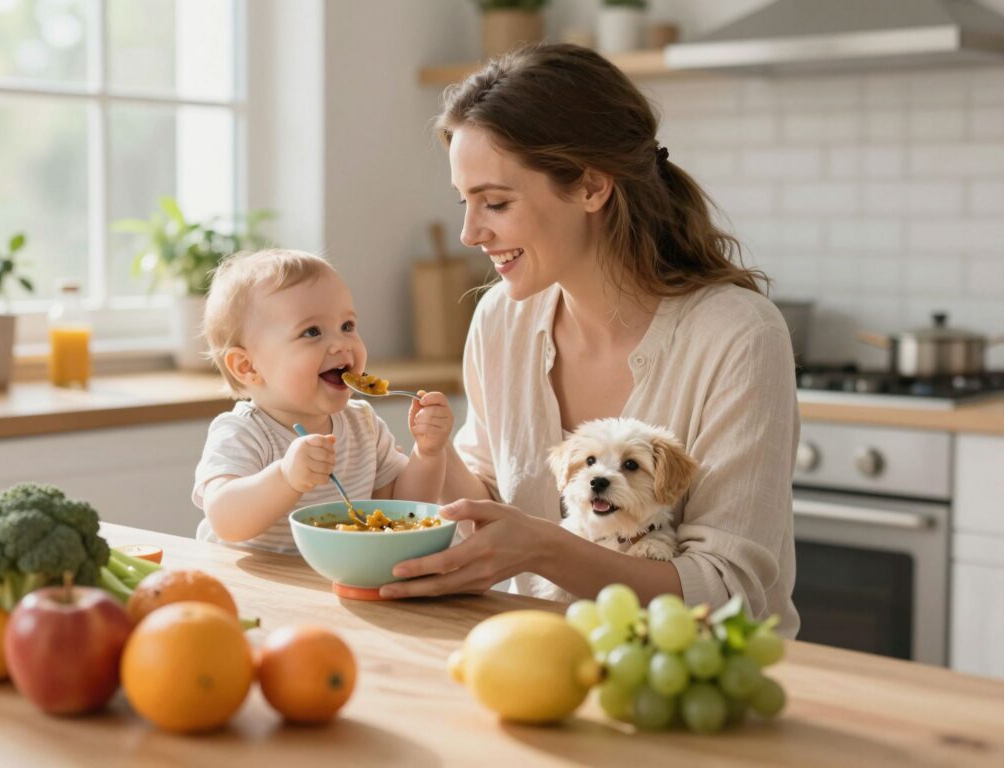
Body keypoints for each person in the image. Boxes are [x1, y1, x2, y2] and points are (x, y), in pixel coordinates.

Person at [378, 44, 800, 637]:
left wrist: (545, 549)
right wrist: (429, 457)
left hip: (694, 688)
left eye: (495, 202)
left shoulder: (738, 336)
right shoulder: (502, 317)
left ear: (591, 187)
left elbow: (730, 594)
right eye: (465, 203)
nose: (471, 233)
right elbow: (492, 492)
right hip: (537, 657)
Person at [192, 249, 453, 552]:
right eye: (312, 331)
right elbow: (226, 520)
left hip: (332, 586)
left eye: (347, 326)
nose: (341, 344)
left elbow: (404, 509)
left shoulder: (363, 425)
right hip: (252, 592)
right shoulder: (243, 433)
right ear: (248, 367)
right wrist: (285, 477)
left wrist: (428, 452)